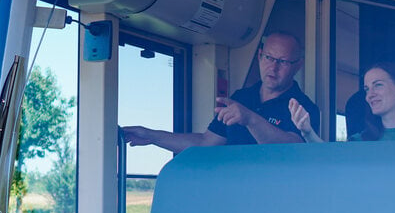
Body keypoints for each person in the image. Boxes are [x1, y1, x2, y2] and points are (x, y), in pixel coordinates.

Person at [122, 32, 320, 151]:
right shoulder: (241, 98)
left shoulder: (305, 108)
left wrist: (250, 119)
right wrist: (151, 136)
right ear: (260, 56)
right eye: (269, 58)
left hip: (276, 200)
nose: (273, 67)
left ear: (298, 65)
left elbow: (293, 150)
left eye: (283, 61)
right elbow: (205, 142)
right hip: (233, 197)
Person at [290, 61, 395, 142]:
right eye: (366, 89)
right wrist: (308, 132)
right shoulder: (360, 141)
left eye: (378, 85)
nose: (369, 95)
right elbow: (330, 163)